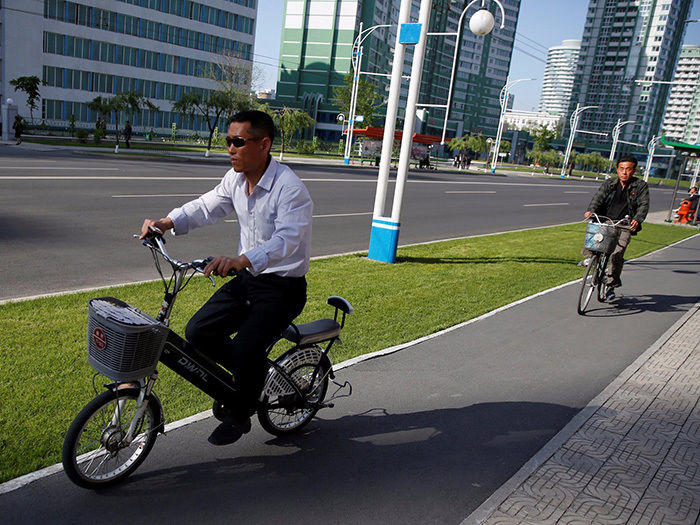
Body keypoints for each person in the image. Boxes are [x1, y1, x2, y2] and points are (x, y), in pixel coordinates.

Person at [140, 110, 313, 445]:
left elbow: (287, 241)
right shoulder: (235, 179)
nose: (231, 149)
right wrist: (165, 223)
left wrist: (241, 259)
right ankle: (251, 377)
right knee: (198, 331)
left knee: (247, 346)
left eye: (238, 142)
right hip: (249, 280)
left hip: (283, 288)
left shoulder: (290, 189)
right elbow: (206, 206)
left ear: (264, 144)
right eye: (227, 142)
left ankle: (242, 409)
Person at [583, 154, 649, 298]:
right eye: (621, 169)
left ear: (634, 171)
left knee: (616, 255)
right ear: (617, 169)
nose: (624, 172)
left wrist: (637, 219)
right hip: (606, 220)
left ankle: (611, 284)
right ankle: (591, 259)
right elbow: (598, 198)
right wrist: (591, 211)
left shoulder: (640, 186)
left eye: (628, 169)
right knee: (594, 239)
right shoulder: (610, 183)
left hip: (625, 224)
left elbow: (643, 205)